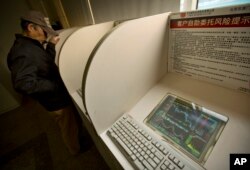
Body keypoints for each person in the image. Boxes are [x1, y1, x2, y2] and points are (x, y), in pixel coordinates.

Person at [7, 11, 88, 155]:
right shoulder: (23, 51)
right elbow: (23, 83)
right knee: (68, 126)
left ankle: (76, 141)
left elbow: (45, 63)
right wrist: (55, 86)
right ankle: (75, 150)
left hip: (55, 96)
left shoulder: (31, 45)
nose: (46, 35)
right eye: (44, 31)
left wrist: (50, 46)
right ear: (31, 28)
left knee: (71, 123)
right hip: (55, 100)